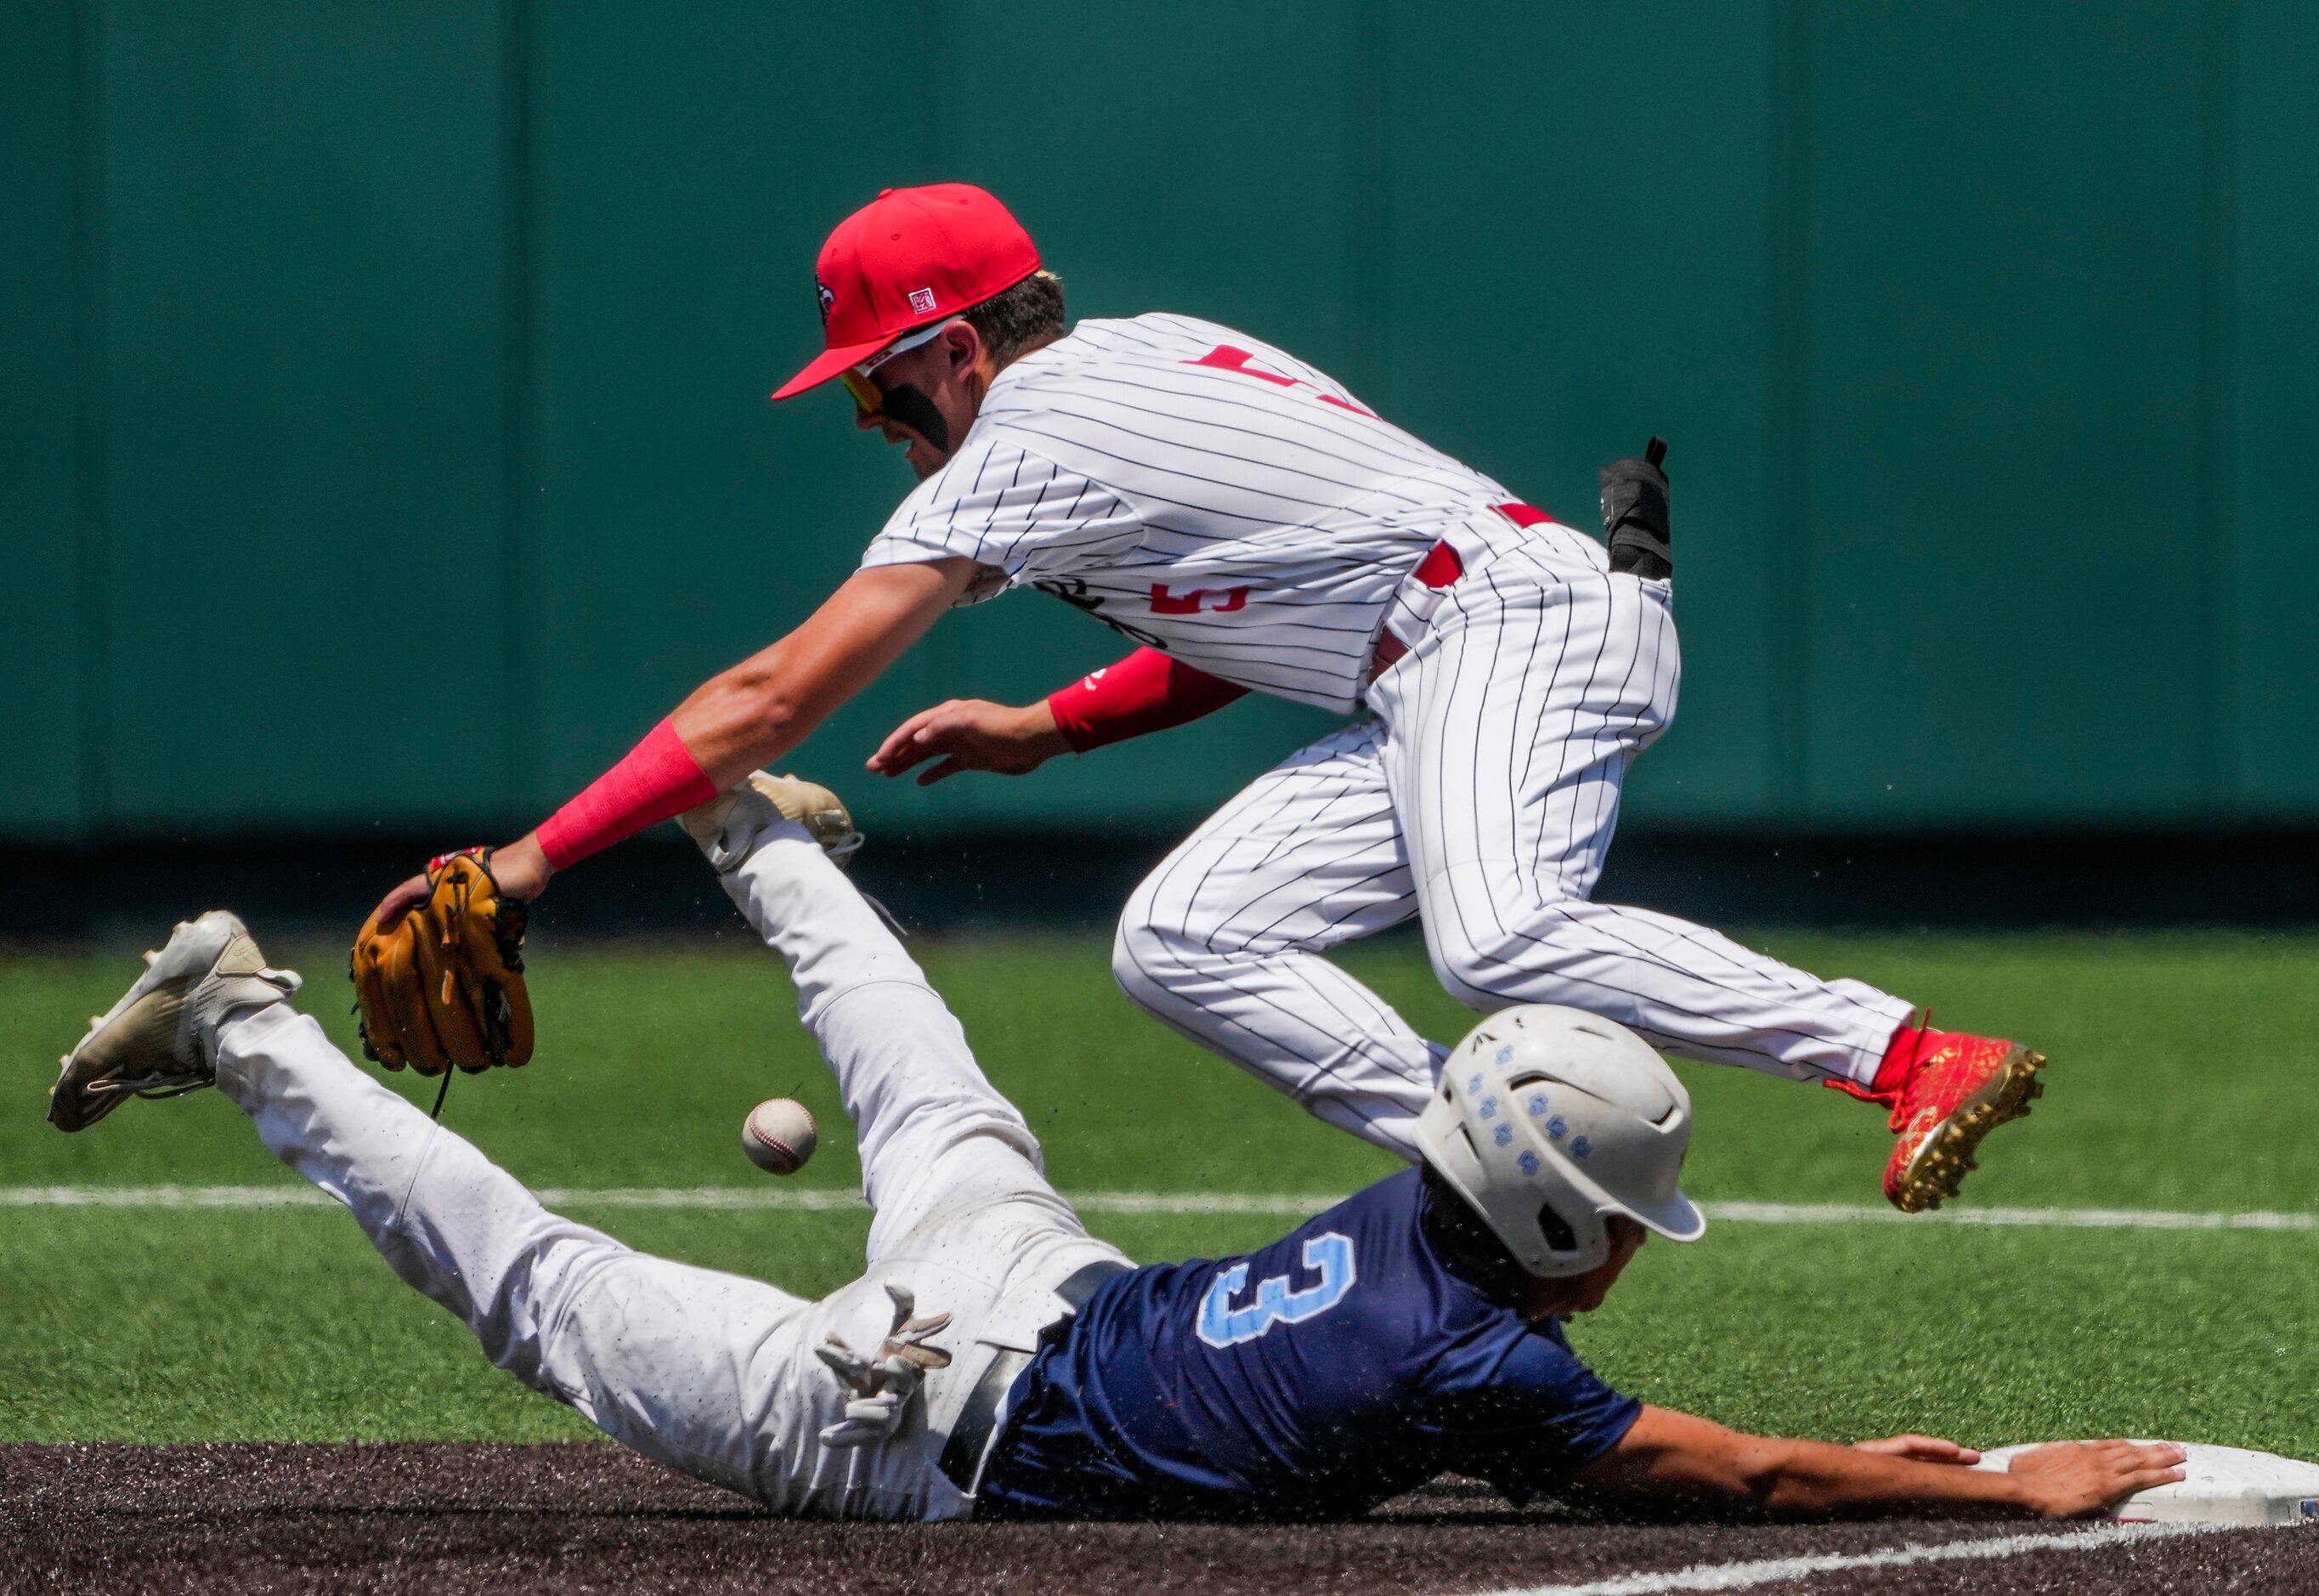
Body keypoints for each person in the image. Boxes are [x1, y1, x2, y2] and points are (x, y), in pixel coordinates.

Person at [370, 182, 2041, 1214]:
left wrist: (523, 870)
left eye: (876, 381)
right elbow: (1253, 603)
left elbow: (765, 697)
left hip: (1506, 629)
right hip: (1441, 649)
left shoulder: (1022, 440)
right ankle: (1481, 1180)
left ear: (955, 349)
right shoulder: (1147, 353)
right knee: (1178, 938)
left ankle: (1906, 1052)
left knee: (1494, 939)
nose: (867, 416)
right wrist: (1052, 726)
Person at [57, 777, 2176, 1522]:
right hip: (902, 1414)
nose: (1628, 1250)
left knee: (928, 1095)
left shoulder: (1423, 1245)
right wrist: (2006, 1482)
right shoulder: (1474, 1359)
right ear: (1543, 1207)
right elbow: (1724, 1473)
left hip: (1035, 1304)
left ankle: (739, 834)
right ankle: (235, 1016)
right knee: (546, 1294)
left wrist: (1899, 1467)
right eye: (1616, 1217)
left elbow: (1698, 1447)